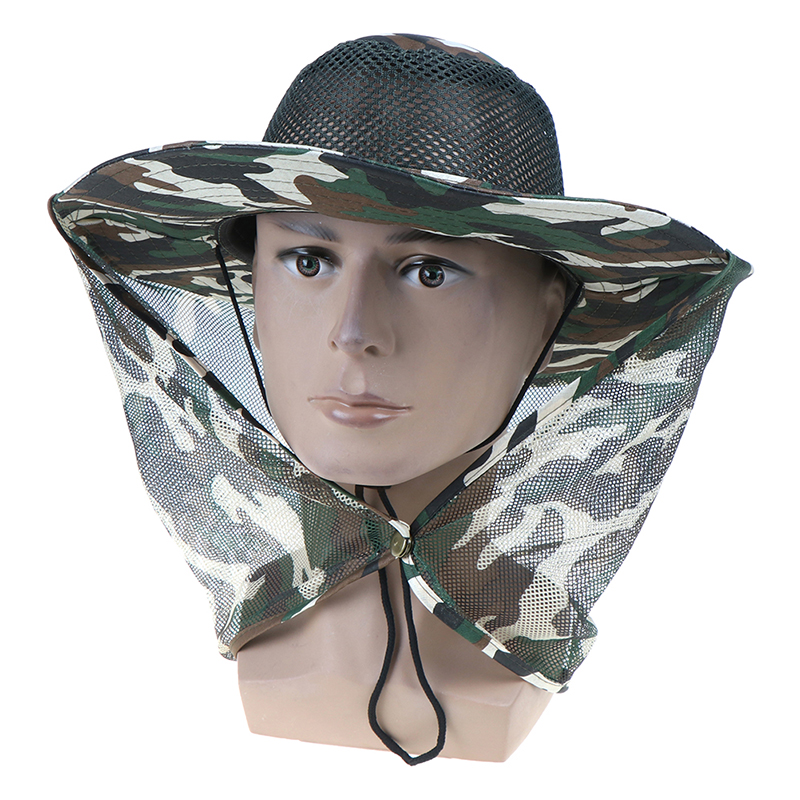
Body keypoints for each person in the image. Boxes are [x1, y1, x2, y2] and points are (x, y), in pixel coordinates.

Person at [49, 33, 750, 764]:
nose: (354, 333)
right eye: (309, 260)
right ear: (251, 285)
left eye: (428, 271)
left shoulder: (521, 618)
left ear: (548, 312)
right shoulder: (272, 613)